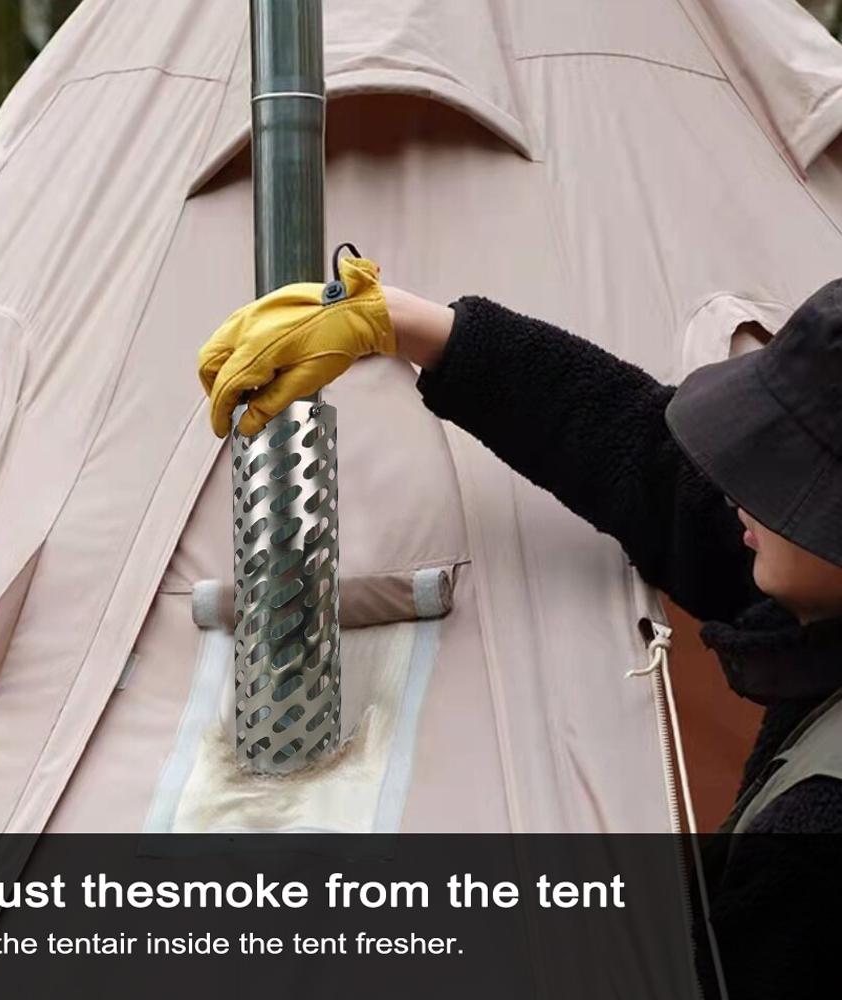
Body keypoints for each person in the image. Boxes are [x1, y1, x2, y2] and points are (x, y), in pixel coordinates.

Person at [198, 248, 842, 997]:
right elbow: (652, 467)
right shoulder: (814, 579)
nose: (740, 492)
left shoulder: (816, 846)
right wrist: (417, 327)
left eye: (783, 477)